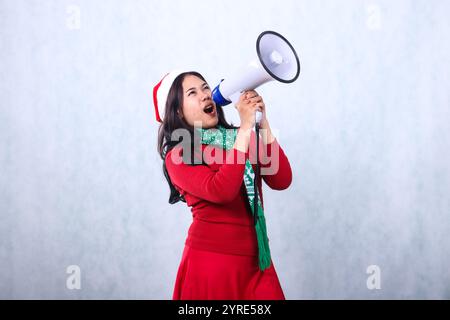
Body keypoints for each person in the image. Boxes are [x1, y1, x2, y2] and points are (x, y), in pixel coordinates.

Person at [154, 70, 292, 300]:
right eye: (192, 93)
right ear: (178, 111)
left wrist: (262, 121)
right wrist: (246, 130)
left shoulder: (240, 137)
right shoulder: (180, 153)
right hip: (213, 265)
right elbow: (222, 190)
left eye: (205, 87)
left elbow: (281, 180)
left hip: (258, 262)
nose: (205, 95)